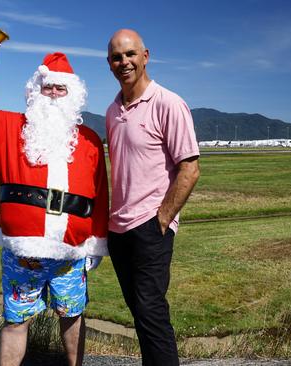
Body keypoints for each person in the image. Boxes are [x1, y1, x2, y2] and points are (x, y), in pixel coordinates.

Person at [0, 43, 108, 366]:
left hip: (71, 253)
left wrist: (97, 243)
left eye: (60, 87)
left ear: (73, 94)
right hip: (22, 254)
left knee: (73, 316)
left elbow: (100, 194)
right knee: (15, 321)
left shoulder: (91, 140)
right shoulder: (9, 129)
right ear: (35, 91)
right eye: (46, 86)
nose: (52, 93)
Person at [105, 29, 201, 365]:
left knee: (151, 311)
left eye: (130, 54)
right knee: (139, 312)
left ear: (145, 56)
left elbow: (189, 168)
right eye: (117, 57)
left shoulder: (168, 103)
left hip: (149, 226)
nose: (124, 62)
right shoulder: (112, 111)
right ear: (109, 64)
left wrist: (162, 219)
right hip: (117, 230)